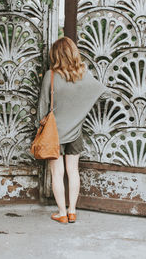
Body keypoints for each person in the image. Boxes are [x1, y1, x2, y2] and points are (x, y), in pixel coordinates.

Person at [37, 36, 107, 224]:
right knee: (73, 171)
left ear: (55, 54)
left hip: (54, 135)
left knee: (57, 174)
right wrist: (79, 112)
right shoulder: (84, 75)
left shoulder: (50, 76)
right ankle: (72, 211)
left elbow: (42, 110)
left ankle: (61, 213)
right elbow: (101, 92)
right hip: (76, 133)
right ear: (73, 52)